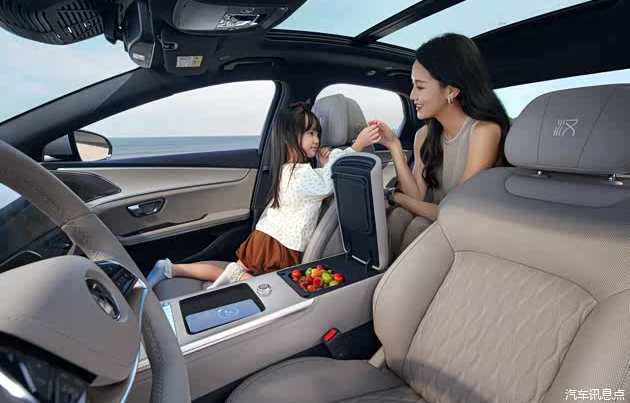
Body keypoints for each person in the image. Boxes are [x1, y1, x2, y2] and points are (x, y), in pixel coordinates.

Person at [146, 100, 381, 288]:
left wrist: (323, 164)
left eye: (317, 134)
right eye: (309, 133)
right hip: (280, 246)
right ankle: (231, 279)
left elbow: (319, 181)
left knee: (230, 270)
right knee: (262, 287)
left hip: (266, 238)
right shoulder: (301, 175)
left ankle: (169, 268)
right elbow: (327, 184)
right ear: (289, 138)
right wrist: (354, 148)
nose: (317, 140)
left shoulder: (289, 170)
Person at [377, 33, 510, 227]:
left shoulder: (484, 132)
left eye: (420, 87)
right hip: (440, 223)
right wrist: (394, 146)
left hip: (470, 227)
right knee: (399, 218)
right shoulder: (423, 135)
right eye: (413, 85)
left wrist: (395, 197)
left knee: (415, 225)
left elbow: (455, 211)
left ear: (451, 91)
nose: (412, 95)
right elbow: (417, 195)